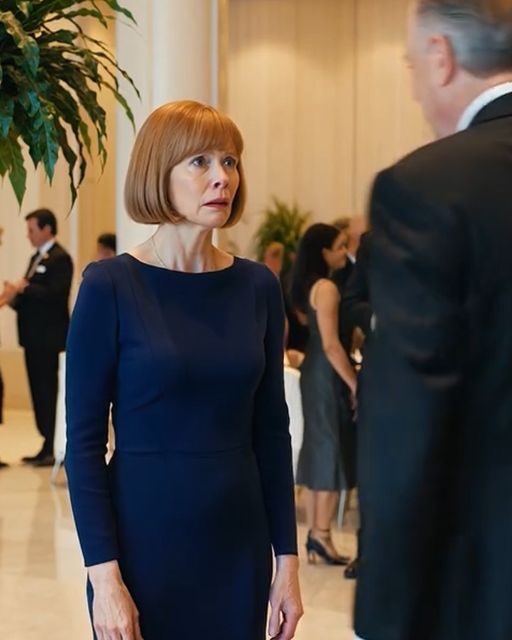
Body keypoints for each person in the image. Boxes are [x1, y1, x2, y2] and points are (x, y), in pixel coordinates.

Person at [65, 100, 303, 640]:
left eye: (230, 161)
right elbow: (83, 446)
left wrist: (287, 562)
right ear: (159, 172)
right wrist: (104, 579)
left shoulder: (258, 286)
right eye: (200, 162)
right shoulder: (109, 286)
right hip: (142, 548)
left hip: (238, 546)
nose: (222, 177)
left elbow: (272, 433)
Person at [355, 2, 512, 640]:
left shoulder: (426, 187)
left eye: (411, 65)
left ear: (442, 57)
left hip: (485, 579)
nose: (416, 88)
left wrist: (386, 613)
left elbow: (409, 419)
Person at [291, 223, 357, 565]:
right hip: (327, 374)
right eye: (340, 245)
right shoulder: (328, 287)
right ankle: (321, 535)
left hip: (313, 371)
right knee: (330, 450)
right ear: (324, 252)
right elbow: (332, 345)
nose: (345, 252)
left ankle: (318, 534)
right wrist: (355, 384)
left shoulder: (311, 287)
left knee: (320, 449)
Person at [4, 209, 73, 467]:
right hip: (32, 339)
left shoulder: (60, 258)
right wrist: (14, 297)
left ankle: (53, 445)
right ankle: (45, 443)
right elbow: (30, 300)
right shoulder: (36, 258)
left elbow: (56, 294)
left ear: (47, 229)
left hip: (49, 340)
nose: (28, 235)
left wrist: (27, 288)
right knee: (38, 393)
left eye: (31, 230)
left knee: (49, 392)